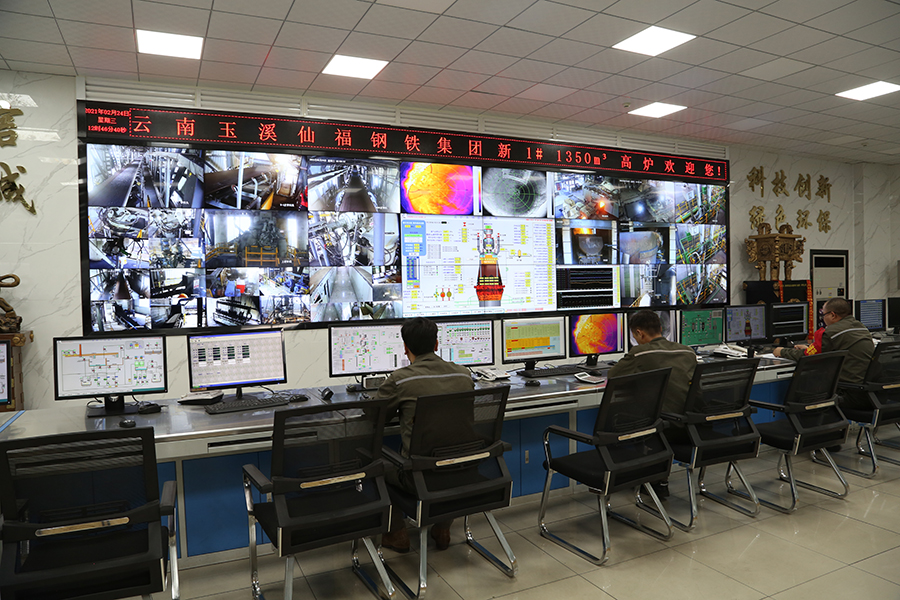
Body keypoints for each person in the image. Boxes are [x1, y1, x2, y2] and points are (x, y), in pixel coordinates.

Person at [375, 317, 474, 553]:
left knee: (375, 465)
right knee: (446, 455)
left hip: (419, 477)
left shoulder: (400, 379)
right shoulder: (464, 374)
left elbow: (375, 418)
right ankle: (443, 528)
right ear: (437, 344)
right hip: (464, 471)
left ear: (405, 348)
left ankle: (397, 533)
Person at [608, 310, 697, 498]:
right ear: (660, 329)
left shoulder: (640, 353)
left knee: (616, 418)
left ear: (639, 333)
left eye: (635, 336)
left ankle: (637, 477)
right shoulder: (687, 351)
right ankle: (659, 481)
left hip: (662, 427)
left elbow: (613, 376)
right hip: (691, 425)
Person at [774, 297, 874, 409]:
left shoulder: (830, 332)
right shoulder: (861, 327)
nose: (822, 318)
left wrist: (782, 351)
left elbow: (807, 357)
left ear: (832, 315)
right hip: (868, 393)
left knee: (802, 387)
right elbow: (829, 349)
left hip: (848, 394)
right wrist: (809, 348)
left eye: (823, 314)